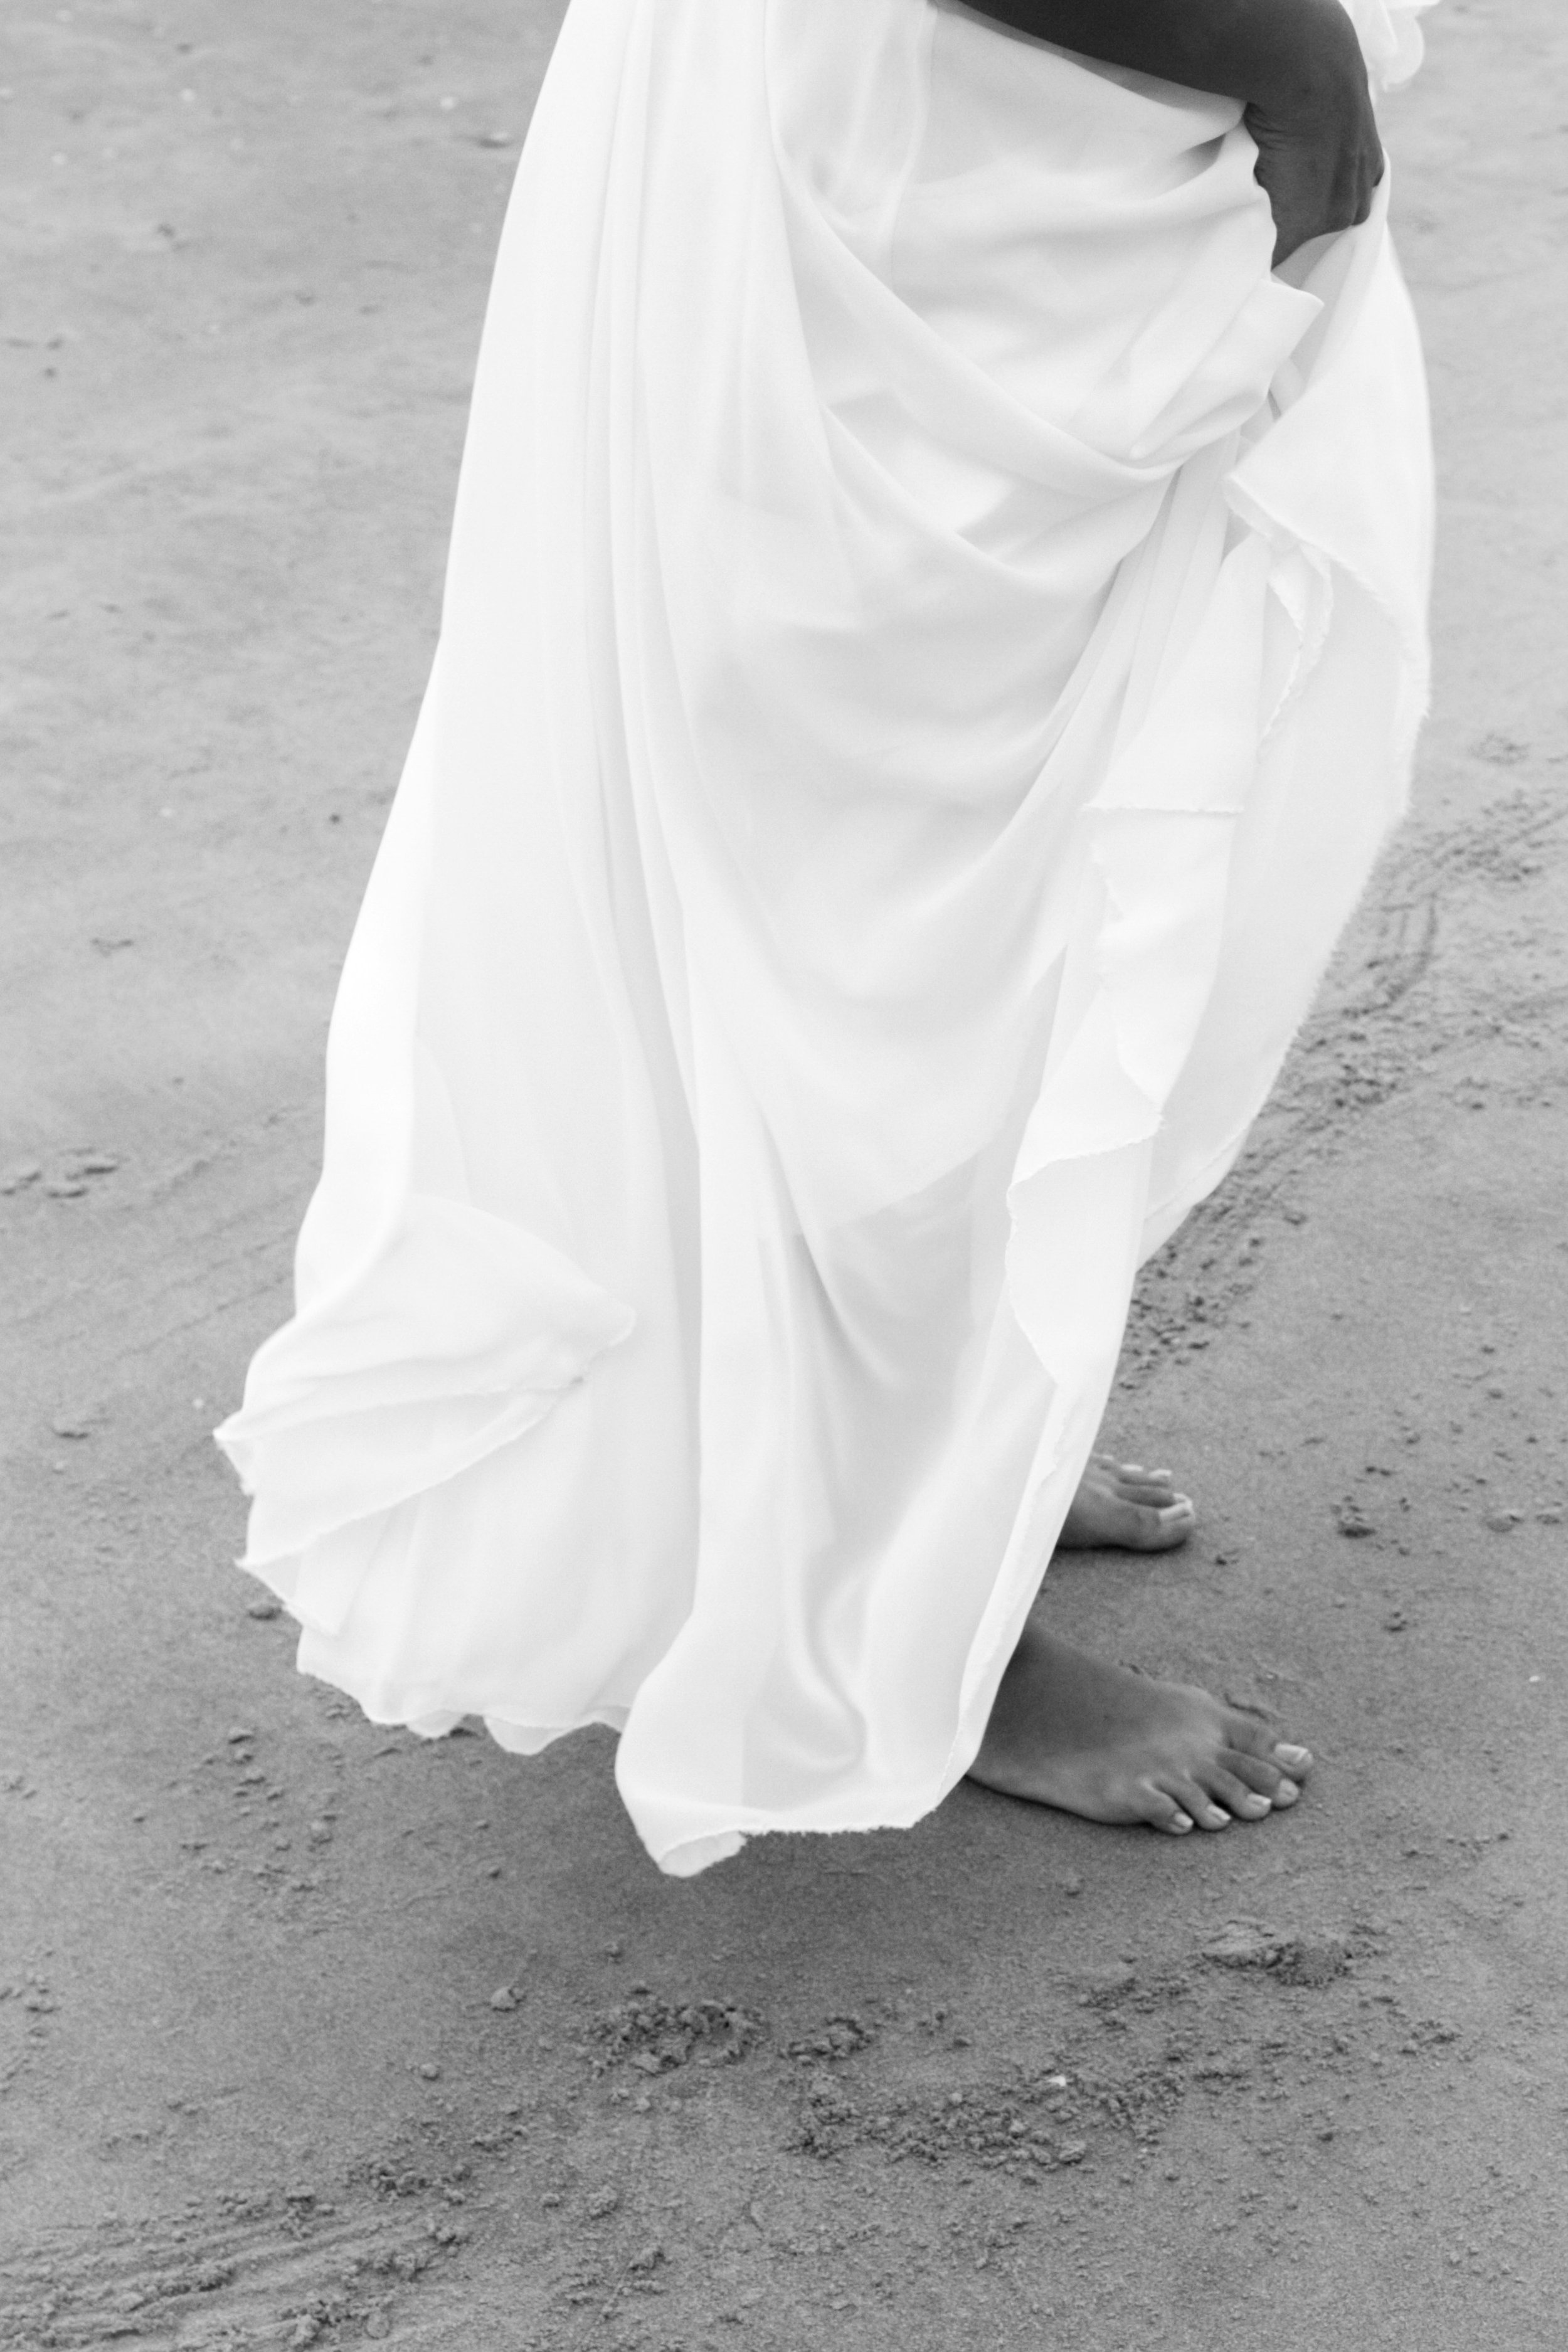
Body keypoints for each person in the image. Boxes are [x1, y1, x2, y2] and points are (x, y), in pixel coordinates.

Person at [217, 0, 1434, 1875]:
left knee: (1017, 832)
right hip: (924, 162)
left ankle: (948, 1470)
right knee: (897, 894)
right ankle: (911, 1614)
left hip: (994, 129)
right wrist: (1281, 52)